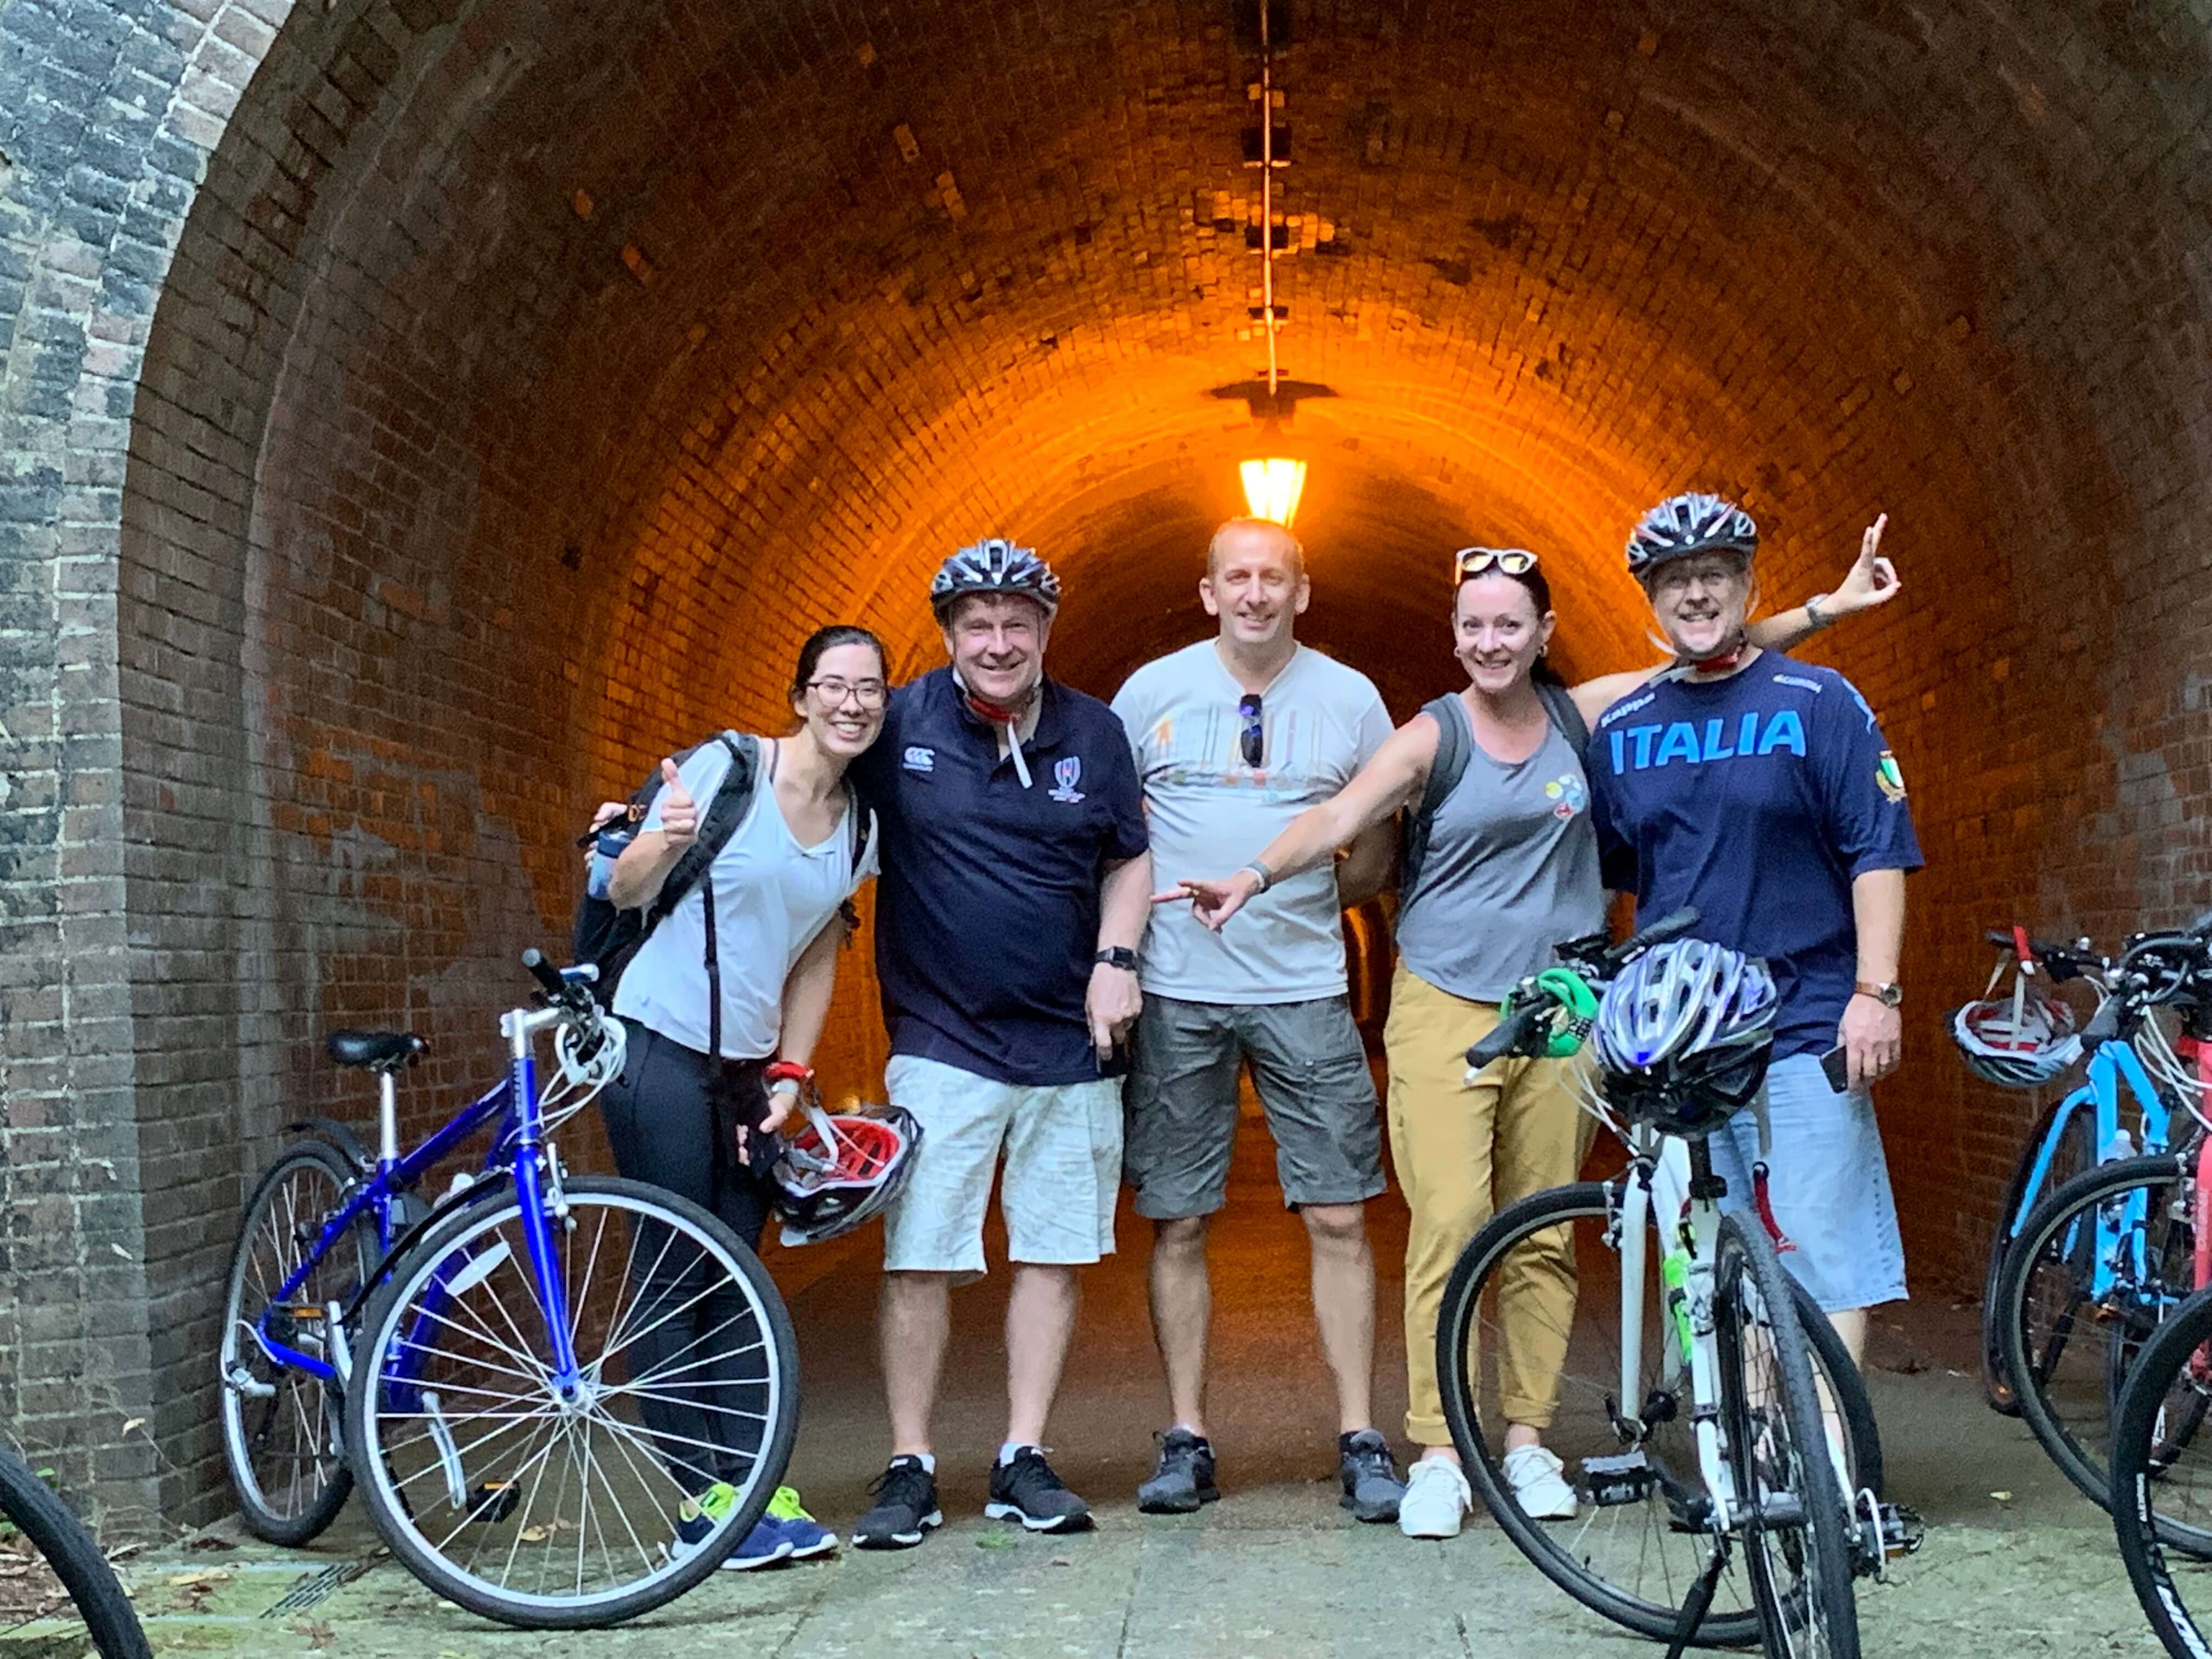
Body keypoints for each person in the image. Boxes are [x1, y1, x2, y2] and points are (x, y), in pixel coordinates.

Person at [1172, 524, 1898, 1539]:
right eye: (1474, 626)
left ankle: (1524, 1441)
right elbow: (1341, 821)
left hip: (1563, 1010)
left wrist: (1825, 608)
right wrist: (1251, 877)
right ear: (1456, 636)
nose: (1491, 640)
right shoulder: (1435, 734)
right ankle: (1437, 1450)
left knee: (1546, 1229)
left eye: (1510, 624)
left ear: (1542, 630)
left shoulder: (1583, 715)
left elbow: (1704, 646)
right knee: (1453, 1221)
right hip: (1447, 1000)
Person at [847, 538, 1152, 1549]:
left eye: (1017, 623)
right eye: (977, 623)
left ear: (1045, 633)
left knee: (1053, 1250)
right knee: (921, 1251)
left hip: (1069, 1039)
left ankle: (1023, 1453)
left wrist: (1117, 958)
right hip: (941, 1035)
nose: (998, 640)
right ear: (946, 636)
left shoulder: (1094, 732)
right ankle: (910, 1462)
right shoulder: (898, 726)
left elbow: (1131, 861)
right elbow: (801, 783)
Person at [1110, 518, 1406, 1522]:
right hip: (1179, 991)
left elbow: (1372, 847)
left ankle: (1361, 1433)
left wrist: (1330, 898)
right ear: (1208, 593)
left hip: (1307, 989)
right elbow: (1116, 840)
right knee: (1180, 1217)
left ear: (1302, 592)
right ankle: (1186, 1434)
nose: (1254, 593)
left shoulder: (1350, 699)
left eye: (1272, 577)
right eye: (1236, 577)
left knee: (1337, 1210)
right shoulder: (1150, 692)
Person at [1586, 492, 1922, 1370]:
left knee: (1817, 1246)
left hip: (1808, 1014)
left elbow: (1876, 850)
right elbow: (1624, 870)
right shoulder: (1623, 730)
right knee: (1706, 1258)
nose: (1695, 595)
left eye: (1713, 575)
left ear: (1746, 585)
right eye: (1674, 581)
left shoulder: (1818, 700)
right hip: (1680, 1036)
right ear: (1651, 601)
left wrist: (1875, 994)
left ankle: (1828, 1466)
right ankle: (1757, 1460)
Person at [598, 623, 886, 1569]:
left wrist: (795, 1073)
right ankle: (700, 1500)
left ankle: (750, 1479)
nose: (853, 703)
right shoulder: (726, 770)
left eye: (871, 689)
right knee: (677, 1262)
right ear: (802, 696)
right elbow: (619, 888)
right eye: (835, 686)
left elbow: (817, 948)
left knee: (739, 1273)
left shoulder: (860, 823)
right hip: (659, 1044)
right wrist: (662, 840)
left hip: (746, 1074)